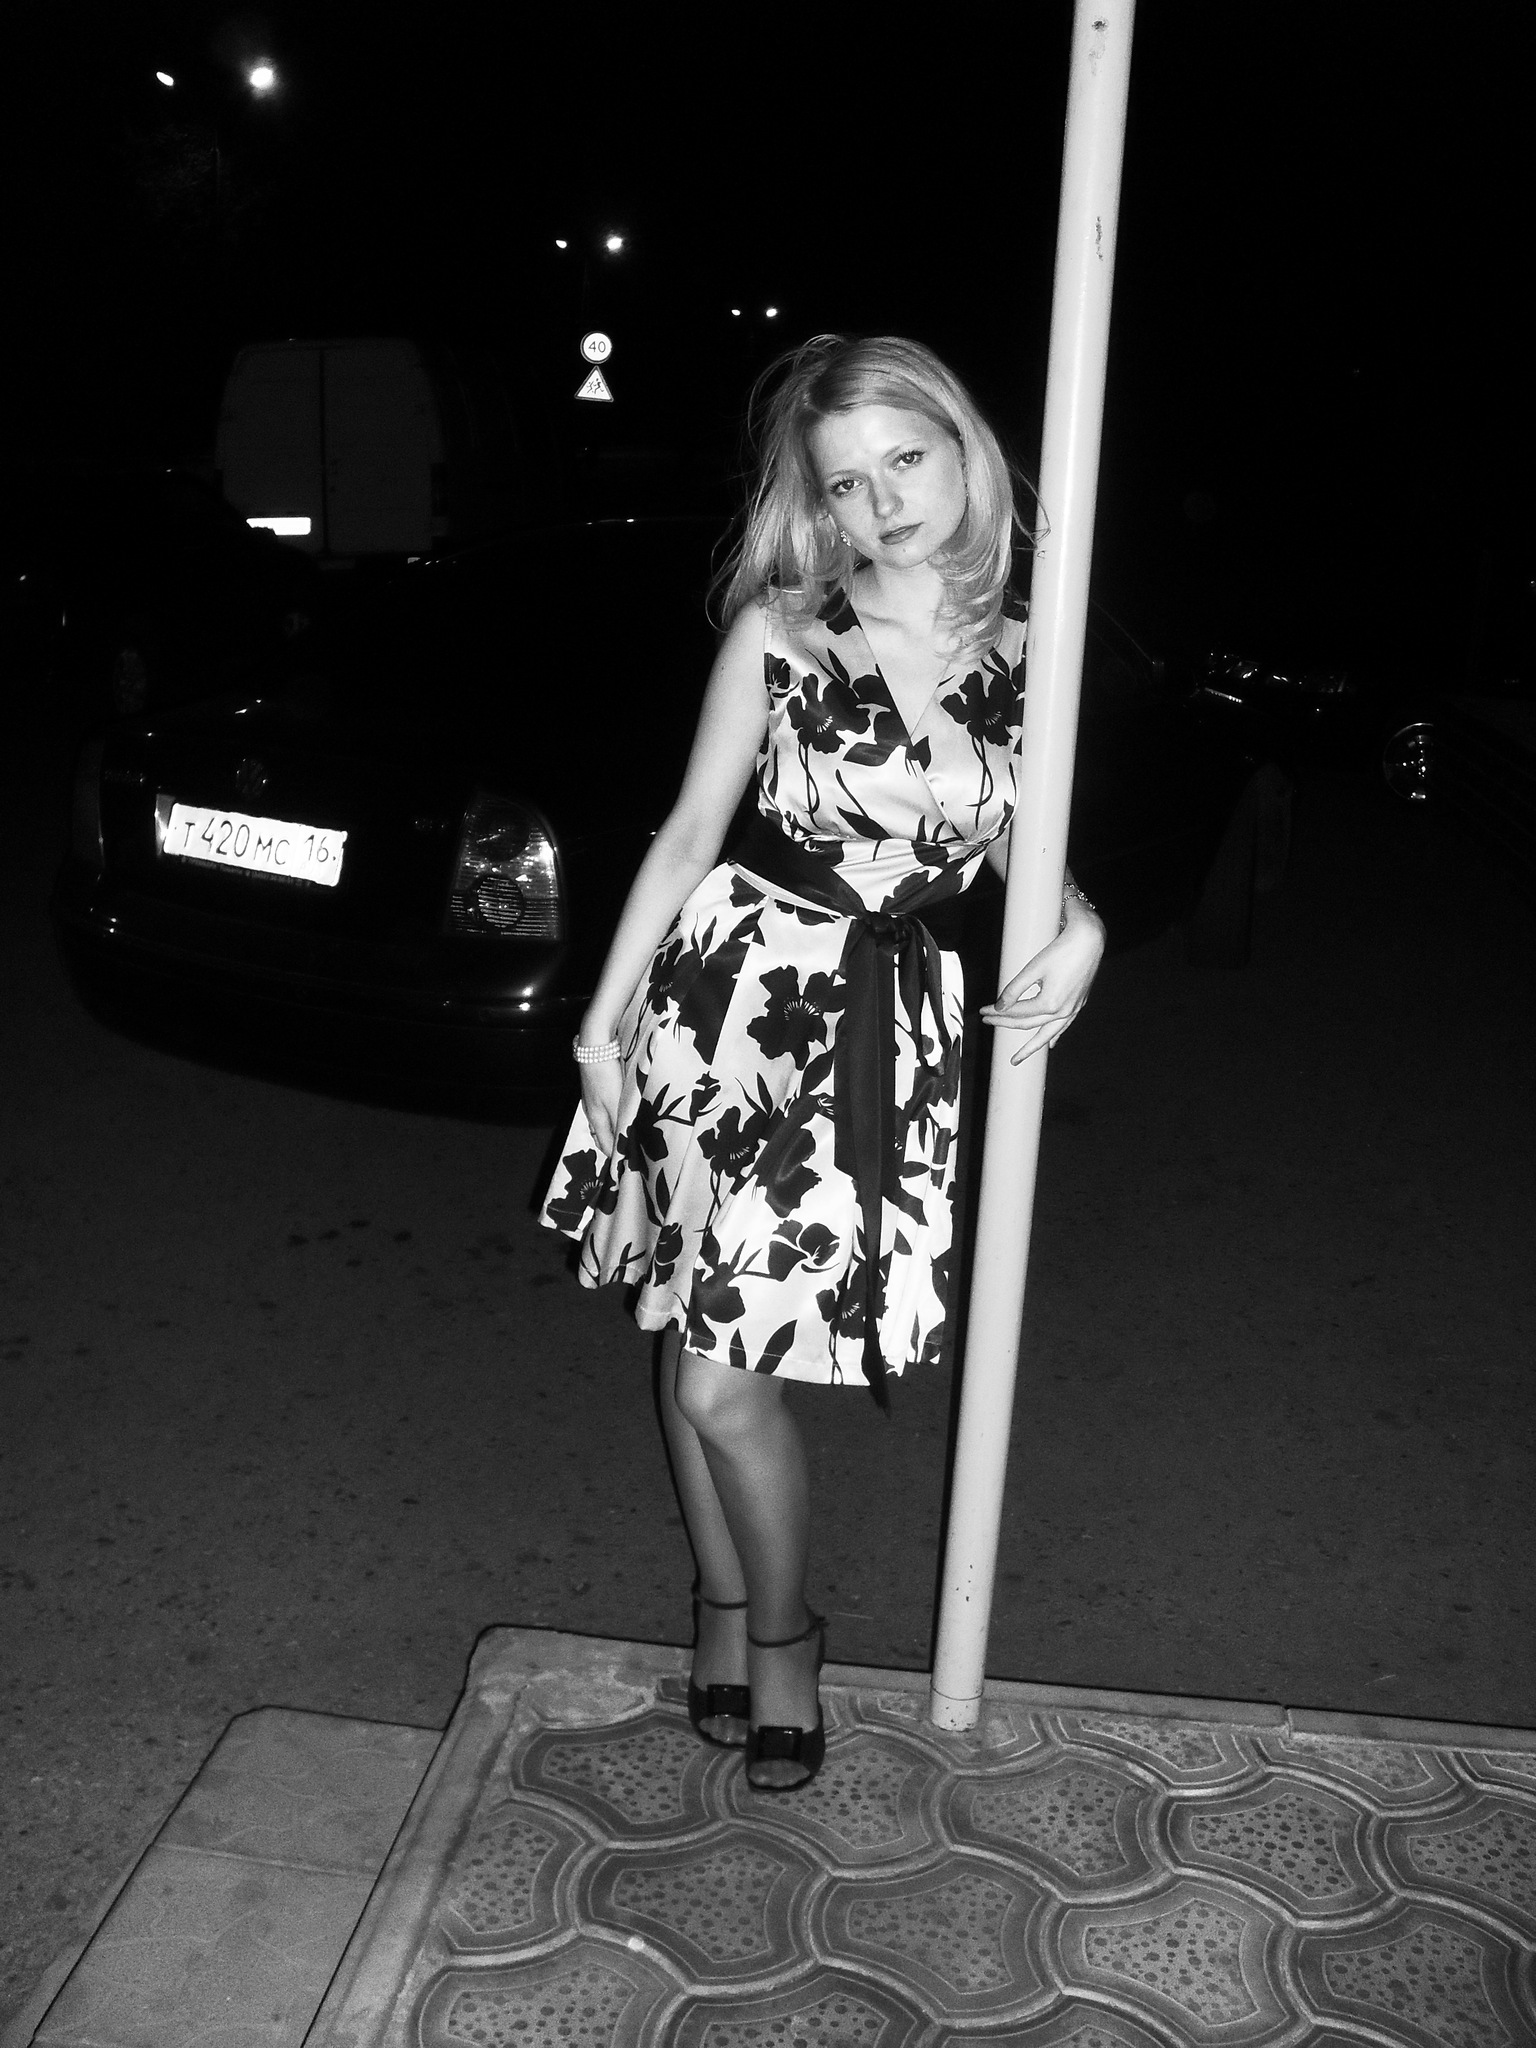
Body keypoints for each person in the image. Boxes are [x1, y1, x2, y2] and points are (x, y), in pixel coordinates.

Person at [540, 334, 1105, 1790]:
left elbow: (1024, 846)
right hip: (728, 1000)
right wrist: (600, 1032)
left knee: (718, 1373)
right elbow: (688, 835)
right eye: (848, 483)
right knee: (696, 1332)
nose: (884, 503)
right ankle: (751, 1621)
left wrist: (1085, 926)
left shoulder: (1039, 648)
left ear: (968, 450)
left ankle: (761, 1625)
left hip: (881, 1025)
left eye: (906, 460)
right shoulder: (783, 630)